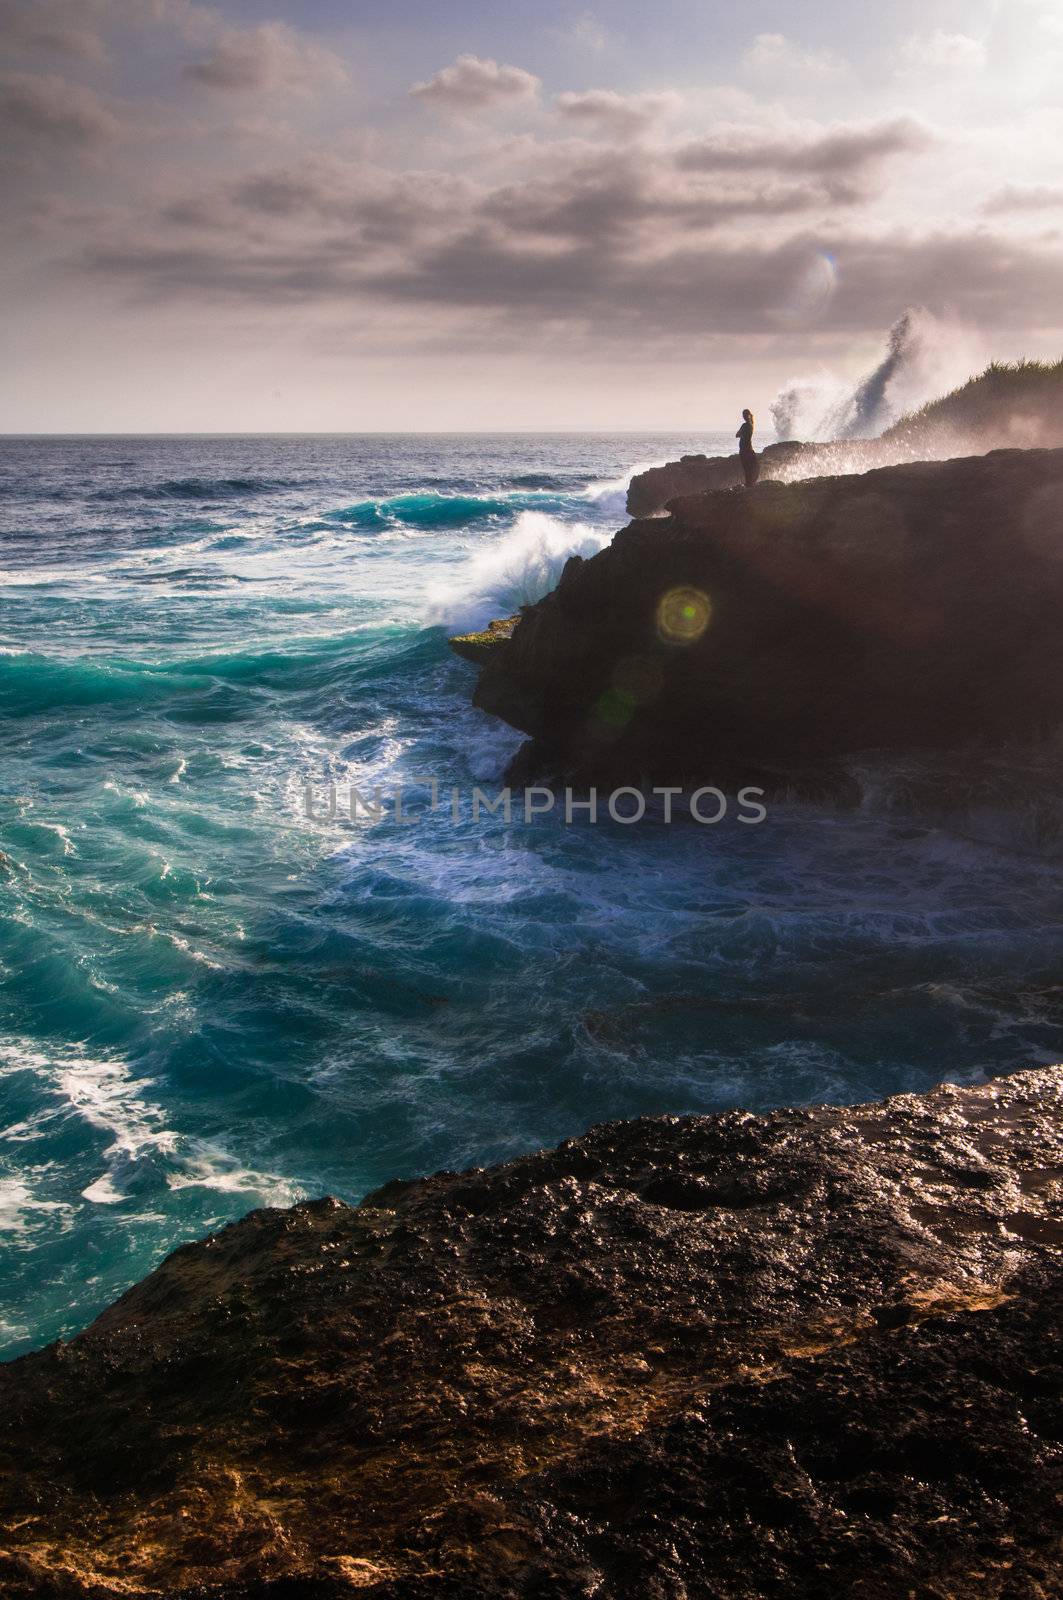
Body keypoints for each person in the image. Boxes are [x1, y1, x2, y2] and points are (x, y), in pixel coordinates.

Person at [736, 408, 759, 488]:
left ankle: (749, 485)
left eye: (745, 415)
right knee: (751, 468)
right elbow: (737, 435)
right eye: (743, 415)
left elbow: (737, 435)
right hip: (748, 449)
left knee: (747, 469)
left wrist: (741, 434)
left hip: (744, 450)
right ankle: (750, 484)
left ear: (748, 415)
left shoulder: (745, 425)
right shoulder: (751, 424)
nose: (744, 417)